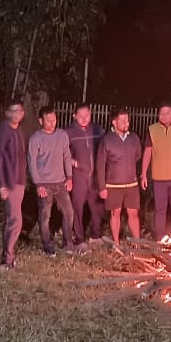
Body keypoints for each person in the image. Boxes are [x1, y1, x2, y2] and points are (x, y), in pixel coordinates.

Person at [28, 106, 83, 257]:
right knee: (45, 216)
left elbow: (66, 156)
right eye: (48, 120)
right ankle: (47, 245)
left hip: (60, 183)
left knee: (69, 213)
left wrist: (69, 177)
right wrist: (38, 184)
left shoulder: (62, 135)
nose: (52, 123)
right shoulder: (35, 139)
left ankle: (68, 243)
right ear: (41, 121)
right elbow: (32, 163)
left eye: (54, 119)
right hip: (44, 184)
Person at [97, 109, 143, 247]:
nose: (126, 123)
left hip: (131, 184)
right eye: (122, 120)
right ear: (114, 122)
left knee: (134, 213)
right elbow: (100, 165)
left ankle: (137, 243)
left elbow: (138, 156)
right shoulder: (106, 140)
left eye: (127, 120)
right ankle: (116, 243)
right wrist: (102, 187)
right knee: (115, 213)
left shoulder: (134, 138)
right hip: (113, 185)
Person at [141, 102, 171, 238]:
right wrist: (143, 174)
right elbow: (147, 152)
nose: (164, 116)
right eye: (161, 114)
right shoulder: (152, 130)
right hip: (159, 178)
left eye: (167, 113)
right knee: (160, 210)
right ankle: (160, 238)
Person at [0, 100, 27, 269]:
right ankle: (7, 260)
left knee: (10, 220)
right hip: (10, 182)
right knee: (15, 221)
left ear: (23, 113)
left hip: (20, 181)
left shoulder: (19, 130)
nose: (16, 114)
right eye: (12, 111)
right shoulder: (2, 131)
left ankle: (7, 257)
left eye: (19, 110)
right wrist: (2, 184)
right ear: (7, 113)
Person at [66, 104, 106, 244]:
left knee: (97, 207)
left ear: (91, 114)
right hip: (79, 175)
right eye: (80, 116)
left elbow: (105, 150)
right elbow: (62, 152)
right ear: (74, 116)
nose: (84, 119)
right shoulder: (69, 133)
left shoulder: (98, 130)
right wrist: (71, 161)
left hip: (95, 175)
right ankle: (79, 238)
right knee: (77, 207)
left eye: (86, 116)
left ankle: (95, 235)